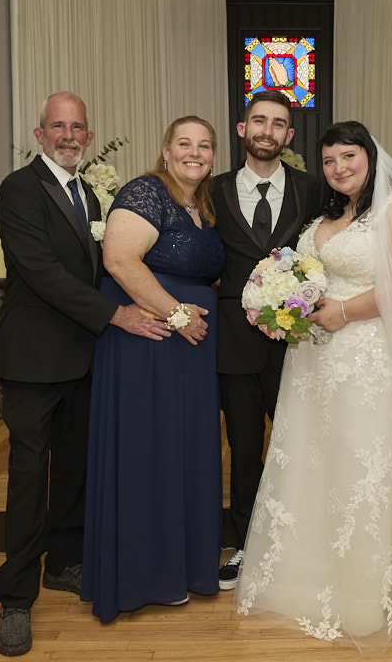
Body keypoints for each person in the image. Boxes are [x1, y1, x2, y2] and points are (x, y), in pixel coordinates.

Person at [235, 121, 392, 649]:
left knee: (365, 460)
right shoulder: (331, 214)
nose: (338, 168)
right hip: (314, 360)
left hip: (371, 354)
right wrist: (284, 301)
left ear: (370, 156)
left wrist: (344, 311)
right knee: (319, 459)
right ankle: (316, 574)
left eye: (348, 156)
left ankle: (370, 589)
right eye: (328, 161)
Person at [0, 92, 170, 657]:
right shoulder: (19, 189)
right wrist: (117, 314)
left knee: (73, 468)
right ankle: (15, 597)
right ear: (40, 135)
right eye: (58, 126)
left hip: (86, 356)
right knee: (28, 474)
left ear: (88, 137)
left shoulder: (89, 193)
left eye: (77, 127)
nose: (68, 135)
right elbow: (40, 271)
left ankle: (63, 562)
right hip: (34, 357)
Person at [81, 116, 226, 622]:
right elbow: (120, 261)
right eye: (184, 143)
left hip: (188, 348)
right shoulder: (146, 192)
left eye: (204, 145)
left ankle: (182, 568)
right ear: (165, 150)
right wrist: (178, 315)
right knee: (148, 448)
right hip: (150, 341)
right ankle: (143, 575)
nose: (194, 152)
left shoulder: (202, 206)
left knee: (181, 451)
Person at [210, 91, 321, 589]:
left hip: (297, 344)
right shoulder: (212, 191)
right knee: (244, 449)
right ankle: (248, 546)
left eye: (278, 124)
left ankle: (305, 540)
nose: (267, 131)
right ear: (242, 129)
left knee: (302, 443)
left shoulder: (312, 190)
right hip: (234, 345)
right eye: (259, 121)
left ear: (289, 136)